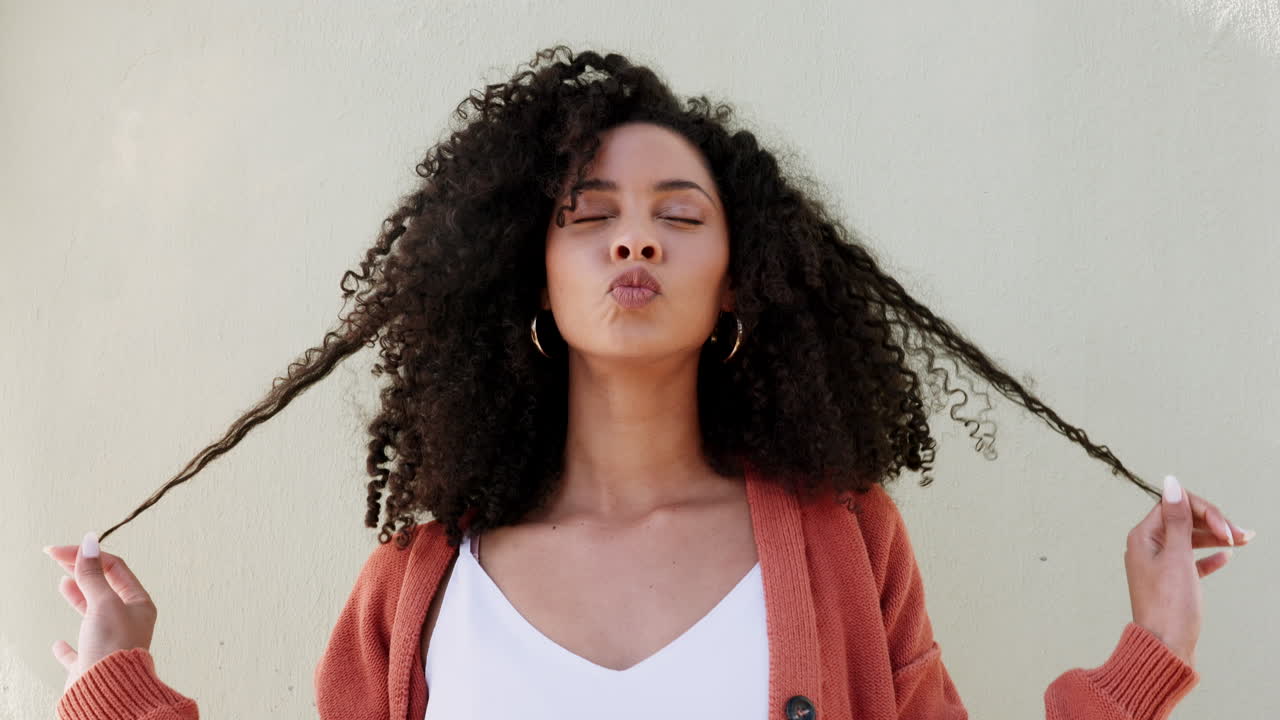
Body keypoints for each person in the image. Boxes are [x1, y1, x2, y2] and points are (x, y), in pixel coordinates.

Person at [44, 46, 1252, 719]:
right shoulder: (415, 587)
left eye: (679, 216)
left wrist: (1148, 649)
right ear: (529, 278)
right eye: (591, 217)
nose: (635, 242)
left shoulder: (841, 546)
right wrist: (117, 682)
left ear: (739, 280)